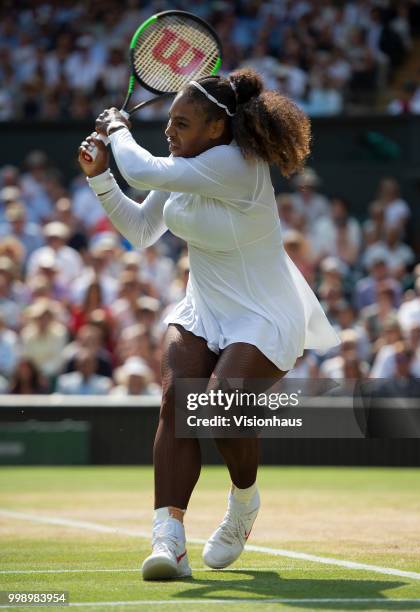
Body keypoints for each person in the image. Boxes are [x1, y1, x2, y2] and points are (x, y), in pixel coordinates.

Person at [78, 68, 339, 581]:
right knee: (178, 405)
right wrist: (100, 176)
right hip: (203, 307)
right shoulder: (183, 163)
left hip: (264, 314)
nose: (170, 131)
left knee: (218, 411)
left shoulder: (237, 164)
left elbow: (146, 169)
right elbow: (142, 230)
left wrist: (116, 127)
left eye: (182, 122)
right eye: (169, 122)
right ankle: (168, 540)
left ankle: (244, 503)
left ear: (217, 130)